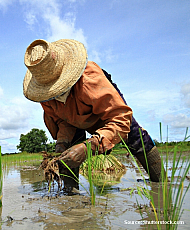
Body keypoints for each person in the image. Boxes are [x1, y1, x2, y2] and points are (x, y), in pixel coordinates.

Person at [22, 39, 164, 183]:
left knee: (134, 136)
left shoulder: (89, 80)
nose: (55, 95)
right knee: (69, 149)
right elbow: (63, 121)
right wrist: (61, 144)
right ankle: (70, 193)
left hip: (104, 111)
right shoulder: (46, 98)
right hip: (76, 120)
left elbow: (120, 119)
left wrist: (88, 148)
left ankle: (161, 183)